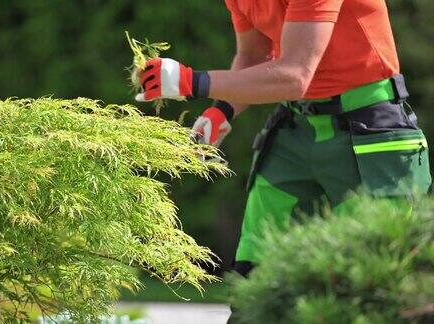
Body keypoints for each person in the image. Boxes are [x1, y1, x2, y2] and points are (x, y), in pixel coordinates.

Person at [134, 0, 432, 278]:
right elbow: (253, 55)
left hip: (370, 133)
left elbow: (294, 76)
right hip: (296, 130)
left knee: (380, 272)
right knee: (256, 274)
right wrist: (222, 110)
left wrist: (190, 82)